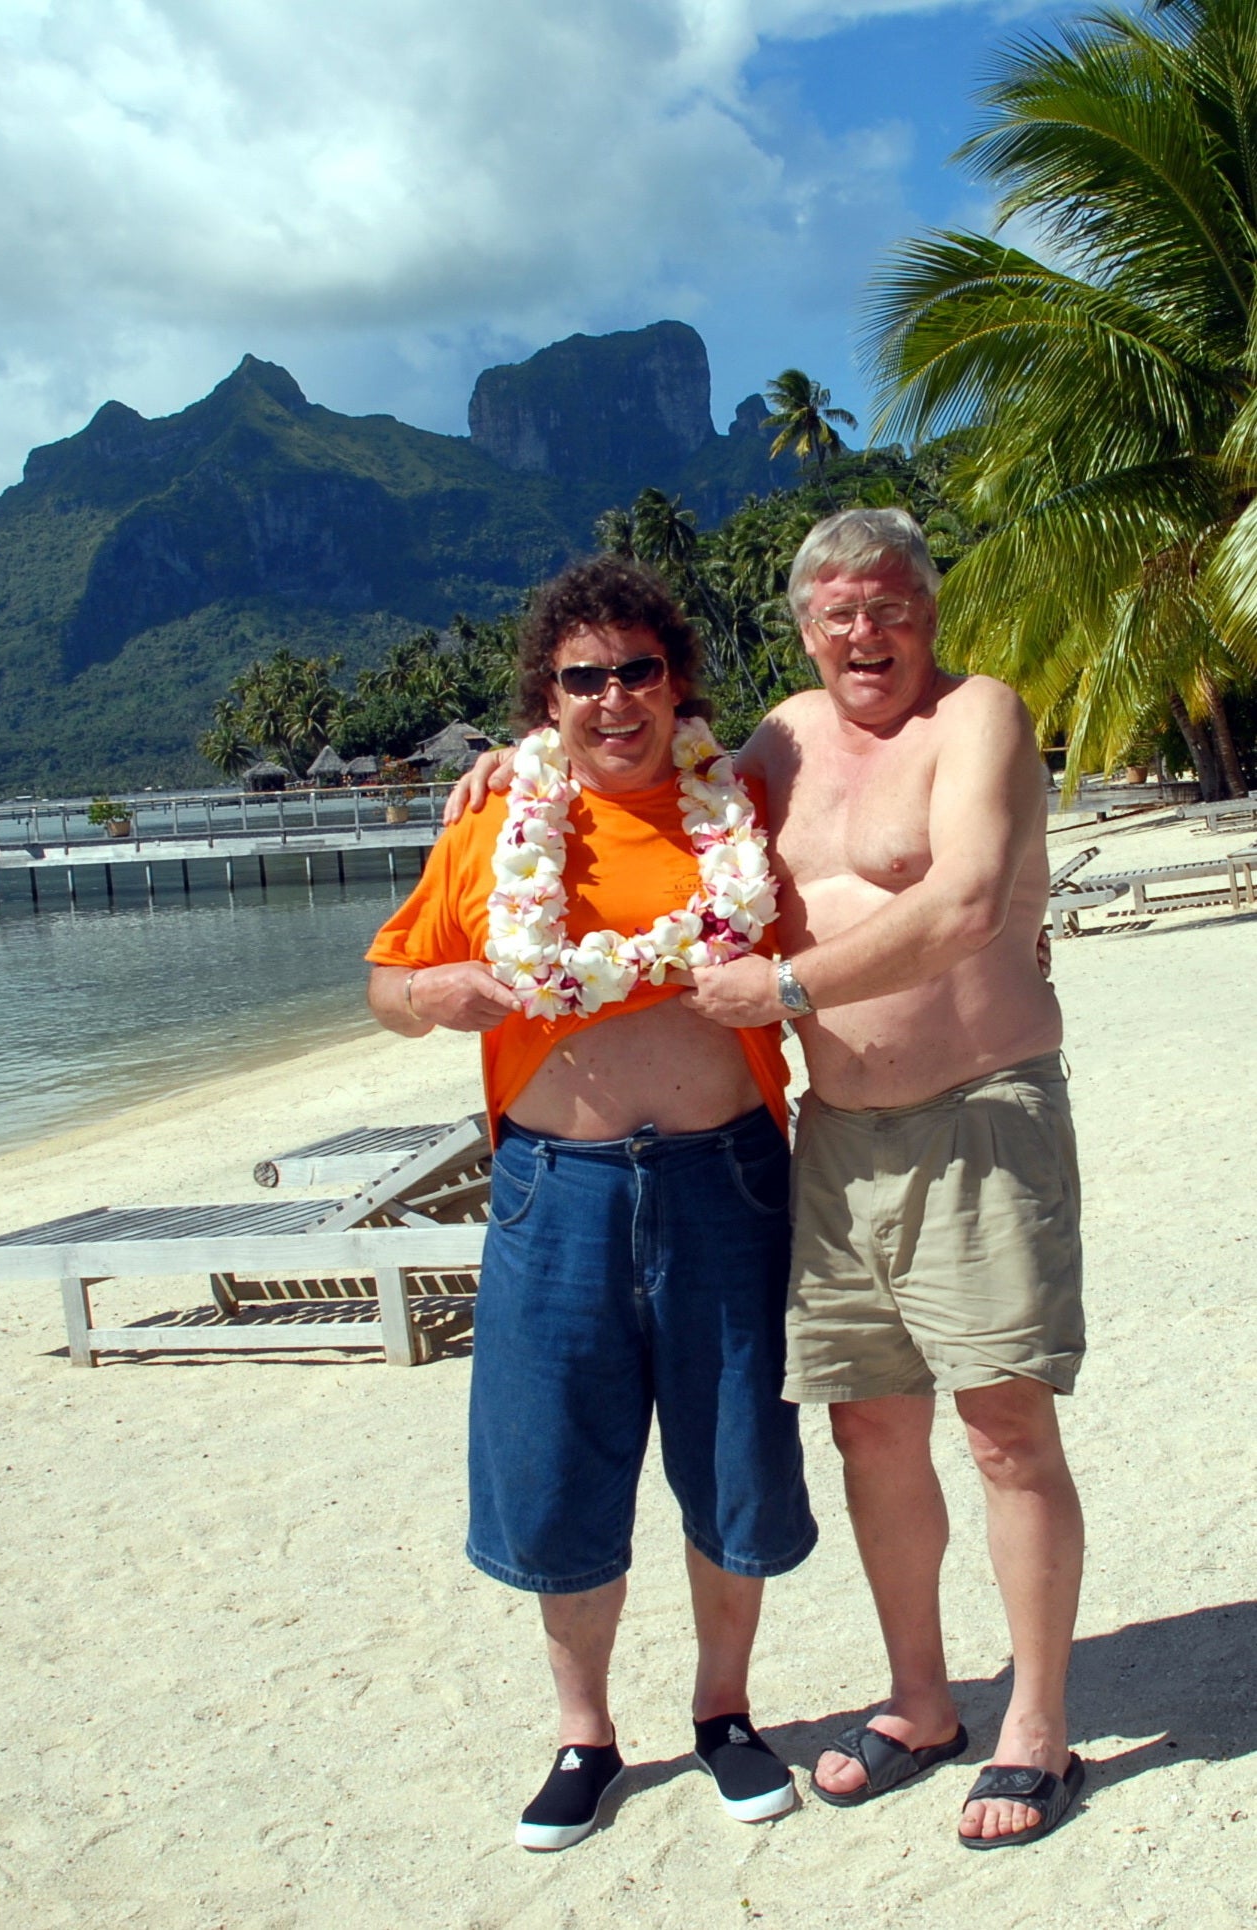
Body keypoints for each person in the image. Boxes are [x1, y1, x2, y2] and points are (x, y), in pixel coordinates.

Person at [365, 555, 816, 1853]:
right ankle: (584, 1734)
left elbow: (834, 920)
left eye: (636, 669)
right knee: (556, 1463)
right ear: (545, 698)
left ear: (675, 685)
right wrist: (433, 1001)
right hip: (550, 1193)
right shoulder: (490, 827)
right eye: (582, 676)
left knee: (732, 1452)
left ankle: (724, 1714)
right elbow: (391, 983)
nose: (611, 695)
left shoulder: (739, 816)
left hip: (723, 1176)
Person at [681, 507, 1086, 1849]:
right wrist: (509, 773)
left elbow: (966, 899)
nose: (866, 632)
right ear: (800, 624)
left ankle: (1036, 1724)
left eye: (890, 604)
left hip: (977, 1112)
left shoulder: (977, 718)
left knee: (1001, 1428)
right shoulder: (781, 742)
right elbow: (645, 795)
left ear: (928, 609)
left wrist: (782, 983)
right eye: (837, 611)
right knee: (869, 1428)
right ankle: (922, 1701)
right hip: (836, 1136)